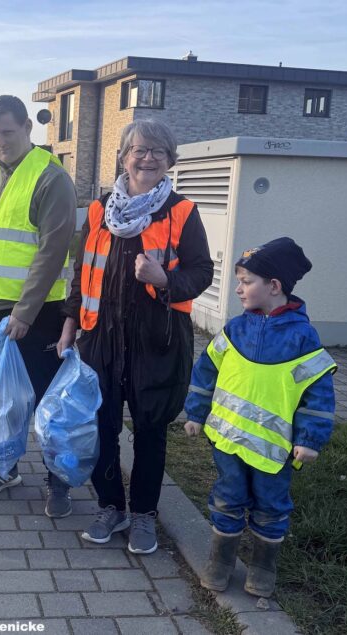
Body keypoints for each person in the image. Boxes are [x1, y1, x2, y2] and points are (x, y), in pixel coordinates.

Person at [58, 119, 213, 553]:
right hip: (100, 340)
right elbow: (81, 273)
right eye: (139, 150)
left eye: (158, 152)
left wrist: (164, 279)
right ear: (124, 156)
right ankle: (111, 507)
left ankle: (144, 514)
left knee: (150, 430)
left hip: (157, 342)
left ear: (170, 161)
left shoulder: (181, 211)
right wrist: (70, 326)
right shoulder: (98, 210)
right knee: (102, 426)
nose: (148, 158)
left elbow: (202, 271)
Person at [184, 237, 336, 598]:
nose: (238, 288)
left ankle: (263, 566)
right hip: (229, 442)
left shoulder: (302, 338)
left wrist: (309, 439)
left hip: (274, 452)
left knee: (271, 507)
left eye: (246, 281)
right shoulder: (235, 329)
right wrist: (195, 413)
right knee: (226, 498)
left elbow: (318, 395)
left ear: (274, 286)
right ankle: (221, 561)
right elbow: (205, 371)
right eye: (238, 280)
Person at [0, 95, 77, 514]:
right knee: (0, 398)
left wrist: (24, 313)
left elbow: (51, 252)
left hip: (37, 314)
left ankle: (58, 480)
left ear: (29, 128)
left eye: (7, 133)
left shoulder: (51, 178)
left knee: (48, 400)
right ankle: (3, 466)